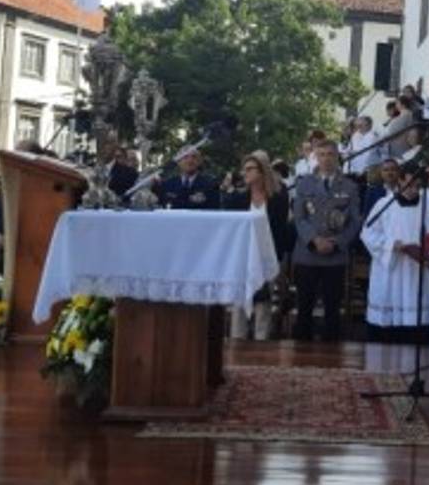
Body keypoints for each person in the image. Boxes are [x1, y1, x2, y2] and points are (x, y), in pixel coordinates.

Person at [361, 170, 429, 343]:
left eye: (418, 186)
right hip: (392, 271)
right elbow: (367, 233)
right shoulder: (384, 204)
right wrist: (392, 245)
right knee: (388, 324)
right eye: (409, 185)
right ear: (400, 181)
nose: (413, 190)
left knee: (418, 322)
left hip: (419, 272)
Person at [290, 141, 361, 341]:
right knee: (304, 308)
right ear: (315, 157)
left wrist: (336, 242)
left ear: (337, 156)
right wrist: (313, 240)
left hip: (335, 255)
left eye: (330, 154)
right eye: (321, 154)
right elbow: (299, 217)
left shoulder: (350, 186)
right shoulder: (303, 183)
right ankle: (300, 357)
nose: (326, 158)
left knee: (332, 311)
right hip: (307, 254)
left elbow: (355, 221)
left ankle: (332, 358)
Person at [222, 151, 292, 340]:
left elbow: (280, 230)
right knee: (239, 305)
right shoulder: (238, 199)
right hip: (242, 257)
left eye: (250, 169)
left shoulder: (278, 198)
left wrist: (274, 258)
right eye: (244, 169)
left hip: (267, 257)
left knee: (263, 306)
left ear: (262, 171)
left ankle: (261, 346)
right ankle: (237, 343)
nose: (245, 173)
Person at [154, 148, 221, 210]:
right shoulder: (168, 184)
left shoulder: (210, 185)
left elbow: (214, 208)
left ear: (199, 162)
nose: (190, 160)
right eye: (185, 157)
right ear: (178, 162)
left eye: (194, 157)